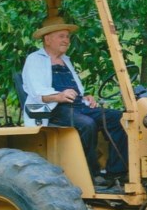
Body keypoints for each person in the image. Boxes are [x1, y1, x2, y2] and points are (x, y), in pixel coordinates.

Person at [21, 14, 128, 186]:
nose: (66, 40)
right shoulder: (35, 60)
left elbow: (76, 90)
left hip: (76, 106)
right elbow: (37, 93)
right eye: (61, 36)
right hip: (50, 109)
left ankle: (117, 171)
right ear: (47, 39)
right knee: (86, 124)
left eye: (68, 37)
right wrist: (59, 96)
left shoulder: (65, 60)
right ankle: (90, 174)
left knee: (117, 118)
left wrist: (86, 97)